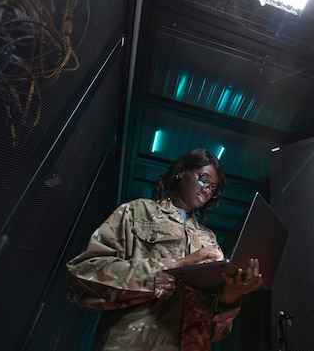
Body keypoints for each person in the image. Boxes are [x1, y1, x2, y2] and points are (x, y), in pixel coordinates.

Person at [65, 148, 263, 351]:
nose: (207, 190)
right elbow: (80, 276)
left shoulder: (209, 239)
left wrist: (230, 296)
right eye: (203, 180)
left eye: (213, 188)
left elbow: (216, 332)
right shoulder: (137, 212)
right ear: (181, 172)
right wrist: (169, 269)